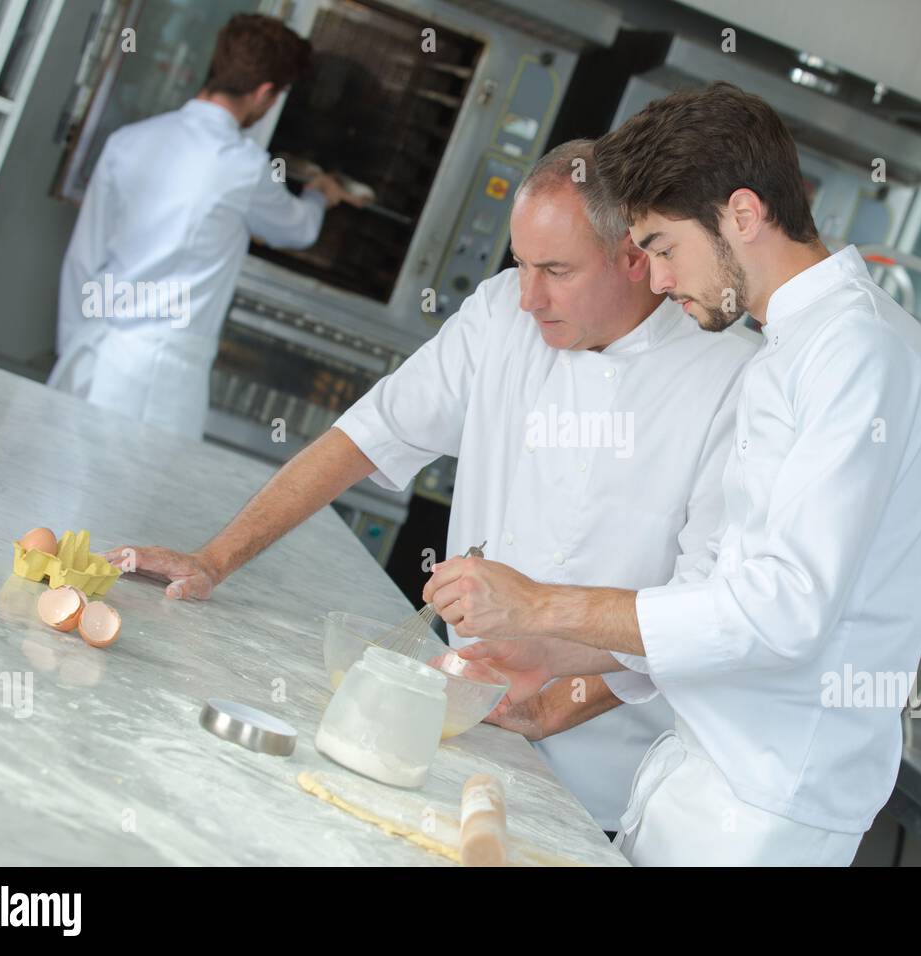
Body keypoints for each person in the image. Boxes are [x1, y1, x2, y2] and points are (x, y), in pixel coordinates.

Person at [108, 140, 757, 835]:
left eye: (556, 271)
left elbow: (700, 613)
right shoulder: (501, 317)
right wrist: (214, 560)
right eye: (520, 264)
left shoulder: (732, 381)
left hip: (594, 787)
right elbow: (366, 436)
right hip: (451, 729)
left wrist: (558, 705)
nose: (528, 295)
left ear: (636, 258)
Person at [422, 83, 921, 866]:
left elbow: (781, 613)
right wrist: (555, 653)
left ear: (742, 215)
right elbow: (714, 591)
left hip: (764, 808)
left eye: (666, 247)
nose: (660, 279)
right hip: (699, 775)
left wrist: (541, 602)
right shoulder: (796, 348)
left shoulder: (858, 354)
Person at [48, 13, 361, 439]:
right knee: (134, 502)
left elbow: (82, 262)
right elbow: (297, 230)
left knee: (59, 493)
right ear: (265, 92)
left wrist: (72, 347)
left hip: (91, 357)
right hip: (158, 379)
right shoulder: (245, 167)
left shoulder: (129, 140)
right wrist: (320, 195)